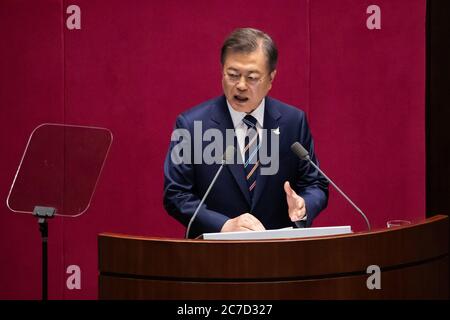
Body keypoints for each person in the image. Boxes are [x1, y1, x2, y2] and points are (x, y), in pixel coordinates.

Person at [164, 28, 328, 238]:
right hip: (212, 256)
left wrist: (304, 205)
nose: (240, 85)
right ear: (222, 71)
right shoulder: (191, 125)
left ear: (271, 79)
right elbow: (176, 194)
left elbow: (315, 183)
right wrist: (224, 225)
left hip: (279, 253)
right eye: (232, 75)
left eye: (252, 77)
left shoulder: (293, 122)